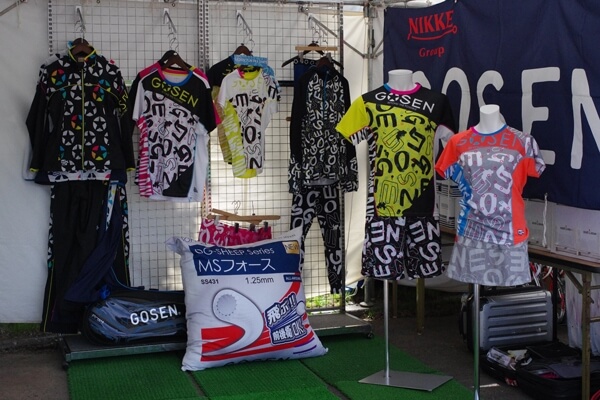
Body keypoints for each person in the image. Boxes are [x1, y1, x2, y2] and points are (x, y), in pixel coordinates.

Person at [435, 104, 546, 286]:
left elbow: (535, 169)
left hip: (510, 231)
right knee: (472, 285)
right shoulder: (457, 142)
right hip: (471, 230)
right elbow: (445, 169)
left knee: (511, 287)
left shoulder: (524, 142)